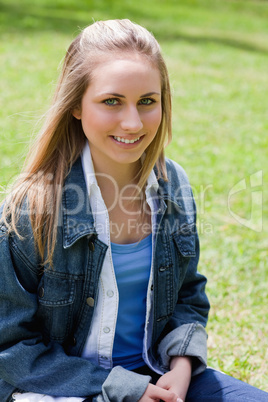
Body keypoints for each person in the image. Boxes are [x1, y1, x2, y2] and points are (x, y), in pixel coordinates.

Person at [0, 19, 267, 402]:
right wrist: (126, 389)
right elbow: (11, 348)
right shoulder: (30, 210)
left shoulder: (173, 185)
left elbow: (187, 294)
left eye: (147, 101)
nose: (133, 122)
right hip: (65, 390)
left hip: (157, 377)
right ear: (75, 105)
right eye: (111, 101)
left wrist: (181, 366)